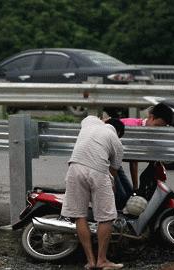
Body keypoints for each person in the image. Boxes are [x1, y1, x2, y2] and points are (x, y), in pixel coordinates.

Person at [61, 116, 125, 270]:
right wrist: (111, 185)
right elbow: (114, 170)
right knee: (106, 216)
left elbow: (90, 118)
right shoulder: (116, 141)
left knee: (79, 215)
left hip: (74, 168)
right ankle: (101, 260)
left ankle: (90, 261)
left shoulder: (89, 122)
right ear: (119, 132)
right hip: (98, 171)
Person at [114, 103, 173, 209]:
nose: (158, 130)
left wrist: (135, 190)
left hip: (115, 162)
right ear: (151, 117)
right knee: (122, 198)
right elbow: (133, 160)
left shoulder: (151, 132)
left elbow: (134, 159)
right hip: (106, 161)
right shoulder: (133, 127)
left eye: (162, 128)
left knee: (129, 197)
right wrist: (135, 188)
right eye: (157, 126)